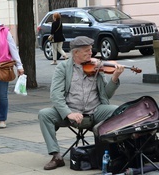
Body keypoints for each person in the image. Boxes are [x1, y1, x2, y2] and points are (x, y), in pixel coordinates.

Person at [38, 36, 125, 170]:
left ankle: (117, 151)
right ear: (75, 53)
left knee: (119, 111)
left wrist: (115, 78)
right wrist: (68, 113)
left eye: (91, 49)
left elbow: (106, 95)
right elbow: (55, 96)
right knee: (44, 114)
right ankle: (56, 156)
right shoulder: (63, 68)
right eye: (86, 50)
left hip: (95, 111)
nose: (91, 53)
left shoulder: (97, 67)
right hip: (71, 112)